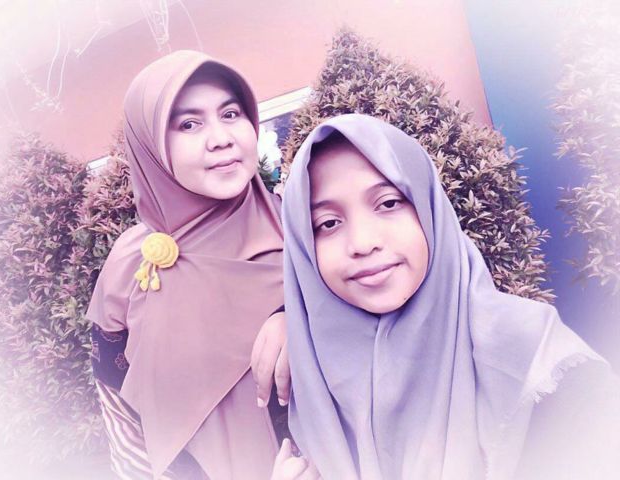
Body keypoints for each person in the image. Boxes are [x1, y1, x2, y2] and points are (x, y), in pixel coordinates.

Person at [277, 114, 620, 479]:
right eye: (328, 223)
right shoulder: (312, 383)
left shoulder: (535, 362)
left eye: (388, 203)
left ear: (429, 209)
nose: (362, 242)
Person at [88, 50, 289, 480]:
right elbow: (119, 409)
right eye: (189, 124)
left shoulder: (305, 229)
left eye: (230, 114)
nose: (220, 138)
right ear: (151, 148)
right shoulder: (131, 264)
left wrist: (301, 318)